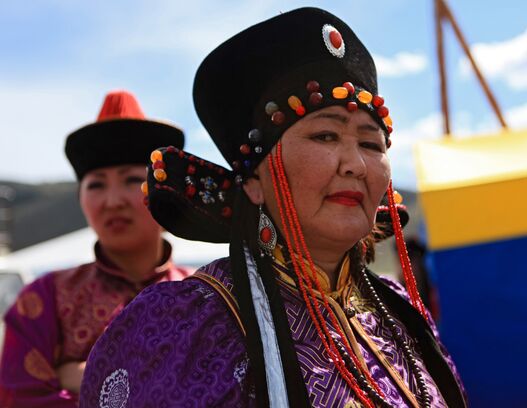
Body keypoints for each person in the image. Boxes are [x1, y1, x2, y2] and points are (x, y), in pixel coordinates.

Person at [80, 9, 467, 408]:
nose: (355, 164)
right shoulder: (185, 325)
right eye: (325, 135)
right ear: (252, 183)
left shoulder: (396, 309)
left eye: (371, 144)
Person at [0, 90, 193, 407]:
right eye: (97, 184)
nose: (112, 201)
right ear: (81, 199)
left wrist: (86, 376)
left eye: (131, 180)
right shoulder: (43, 298)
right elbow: (19, 398)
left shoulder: (201, 295)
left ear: (164, 193)